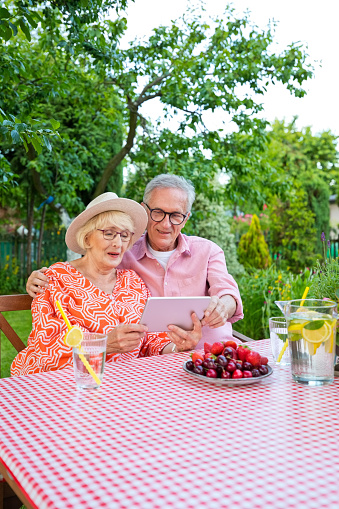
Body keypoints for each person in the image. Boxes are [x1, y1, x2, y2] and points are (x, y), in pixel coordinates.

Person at [26, 174, 243, 349]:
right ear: (145, 210)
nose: (166, 224)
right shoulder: (121, 258)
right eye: (158, 212)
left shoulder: (206, 251)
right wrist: (40, 278)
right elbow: (45, 341)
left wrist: (223, 307)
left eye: (176, 215)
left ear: (186, 218)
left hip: (215, 352)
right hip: (142, 371)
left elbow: (227, 292)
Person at [11, 193, 202, 376]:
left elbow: (150, 339)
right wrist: (104, 344)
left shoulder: (132, 281)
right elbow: (46, 348)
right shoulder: (56, 278)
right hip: (63, 385)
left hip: (120, 387)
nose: (118, 243)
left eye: (125, 235)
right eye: (109, 233)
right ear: (87, 238)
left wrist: (178, 346)